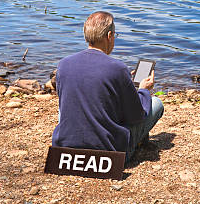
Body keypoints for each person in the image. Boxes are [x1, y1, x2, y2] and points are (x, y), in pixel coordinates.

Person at [52, 11, 164, 163]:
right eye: (114, 36)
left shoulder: (63, 64)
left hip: (65, 148)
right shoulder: (117, 68)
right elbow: (137, 116)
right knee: (156, 103)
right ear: (109, 36)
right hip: (108, 152)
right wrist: (143, 90)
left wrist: (124, 84)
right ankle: (137, 144)